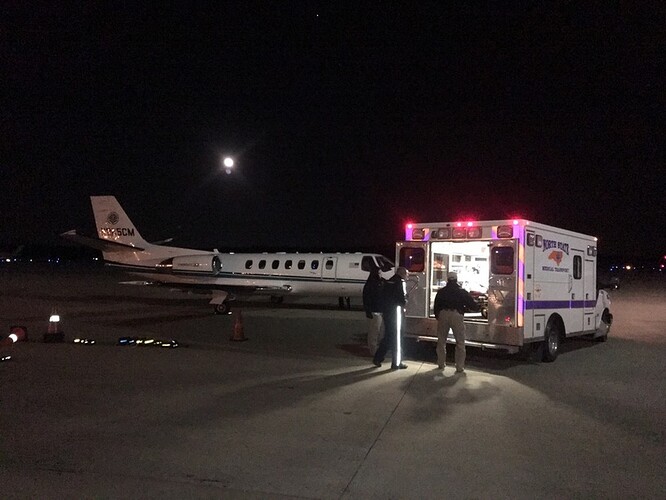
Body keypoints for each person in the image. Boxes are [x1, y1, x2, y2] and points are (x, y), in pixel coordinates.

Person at [433, 271, 478, 373]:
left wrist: (438, 316)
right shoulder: (461, 291)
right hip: (457, 315)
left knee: (441, 341)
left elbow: (436, 305)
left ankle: (441, 364)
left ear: (447, 279)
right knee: (460, 342)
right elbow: (472, 305)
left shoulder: (441, 291)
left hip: (443, 314)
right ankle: (459, 367)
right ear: (456, 279)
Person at [373, 266, 408, 370]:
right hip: (396, 313)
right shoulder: (400, 283)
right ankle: (396, 363)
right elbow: (402, 299)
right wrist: (405, 301)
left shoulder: (389, 281)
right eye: (407, 274)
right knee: (397, 338)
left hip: (387, 313)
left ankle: (378, 357)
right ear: (402, 273)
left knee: (389, 336)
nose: (407, 276)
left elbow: (383, 297)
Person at [362, 265, 385, 357]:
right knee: (374, 332)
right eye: (379, 273)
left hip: (380, 311)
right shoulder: (371, 285)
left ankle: (377, 349)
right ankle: (373, 351)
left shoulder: (380, 282)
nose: (380, 274)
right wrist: (368, 311)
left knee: (379, 332)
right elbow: (366, 299)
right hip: (374, 312)